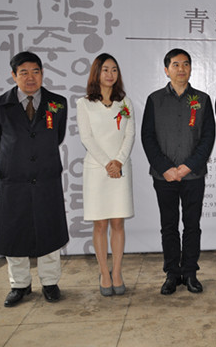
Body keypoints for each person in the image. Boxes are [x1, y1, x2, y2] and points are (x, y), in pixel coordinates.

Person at [0, 51, 69, 307]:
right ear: (14, 76)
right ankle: (19, 284)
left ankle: (50, 282)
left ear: (42, 74)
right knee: (15, 231)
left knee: (49, 229)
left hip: (46, 178)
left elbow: (57, 135)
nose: (30, 77)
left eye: (35, 72)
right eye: (23, 72)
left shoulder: (58, 103)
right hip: (14, 179)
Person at [141, 48, 215, 294]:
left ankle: (190, 272)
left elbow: (208, 137)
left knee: (192, 225)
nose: (181, 69)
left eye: (185, 64)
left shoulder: (203, 99)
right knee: (169, 226)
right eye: (175, 64)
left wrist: (188, 166)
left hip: (193, 175)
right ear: (166, 70)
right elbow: (147, 137)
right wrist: (166, 168)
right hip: (164, 177)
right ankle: (172, 273)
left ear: (191, 68)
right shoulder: (154, 99)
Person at [77, 54, 135, 296]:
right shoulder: (84, 103)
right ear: (96, 73)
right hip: (97, 170)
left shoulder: (125, 102)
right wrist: (107, 164)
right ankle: (104, 272)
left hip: (120, 169)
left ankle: (117, 272)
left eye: (114, 70)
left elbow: (129, 135)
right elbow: (86, 137)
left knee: (118, 223)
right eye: (105, 70)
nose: (110, 74)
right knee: (100, 224)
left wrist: (118, 161)